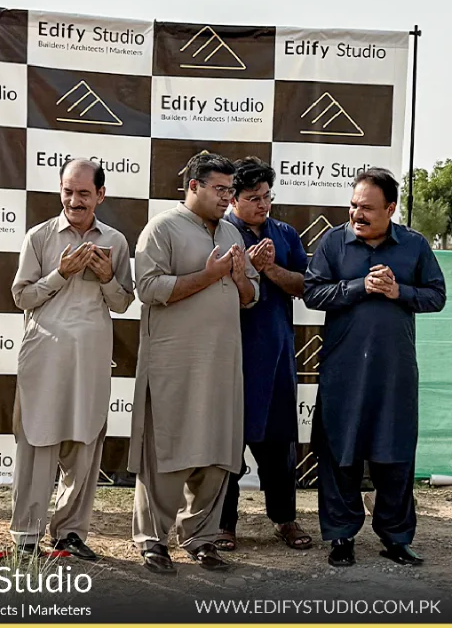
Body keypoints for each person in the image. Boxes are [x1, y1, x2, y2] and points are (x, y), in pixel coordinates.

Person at [303, 168, 445, 568]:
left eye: (366, 208)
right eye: (353, 205)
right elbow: (312, 293)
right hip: (343, 371)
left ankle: (396, 538)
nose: (356, 214)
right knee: (340, 453)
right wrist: (358, 287)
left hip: (394, 373)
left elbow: (436, 296)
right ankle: (341, 536)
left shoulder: (414, 245)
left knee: (395, 454)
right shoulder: (333, 242)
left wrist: (399, 291)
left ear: (391, 209)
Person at [130, 152, 260, 574]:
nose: (226, 198)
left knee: (217, 453)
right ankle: (153, 540)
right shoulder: (162, 228)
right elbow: (148, 288)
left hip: (222, 364)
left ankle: (201, 538)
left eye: (230, 190)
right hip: (175, 363)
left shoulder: (232, 232)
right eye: (219, 189)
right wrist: (209, 275)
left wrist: (238, 277)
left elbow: (251, 294)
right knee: (166, 451)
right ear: (193, 186)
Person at [10, 158, 134, 560]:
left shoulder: (115, 241)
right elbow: (22, 297)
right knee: (37, 441)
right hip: (44, 356)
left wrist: (107, 277)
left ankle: (70, 533)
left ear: (100, 195)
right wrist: (60, 274)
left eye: (83, 193)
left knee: (84, 444)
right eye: (68, 191)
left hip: (91, 359)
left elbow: (122, 302)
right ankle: (26, 535)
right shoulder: (40, 237)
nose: (74, 201)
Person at [215, 157, 312, 552]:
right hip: (230, 356)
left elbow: (305, 286)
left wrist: (269, 269)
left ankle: (285, 519)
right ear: (233, 199)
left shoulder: (285, 234)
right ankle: (223, 524)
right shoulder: (218, 233)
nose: (263, 205)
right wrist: (247, 270)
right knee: (226, 446)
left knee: (280, 444)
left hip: (276, 355)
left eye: (268, 196)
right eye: (253, 198)